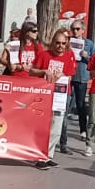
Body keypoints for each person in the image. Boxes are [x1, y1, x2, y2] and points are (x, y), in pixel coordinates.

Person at [29, 26, 77, 166]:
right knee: (43, 127)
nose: (60, 46)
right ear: (53, 42)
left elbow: (70, 75)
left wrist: (64, 76)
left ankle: (47, 156)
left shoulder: (68, 56)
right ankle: (39, 155)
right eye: (58, 43)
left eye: (63, 43)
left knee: (56, 128)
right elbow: (32, 71)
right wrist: (44, 71)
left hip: (61, 96)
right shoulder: (44, 55)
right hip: (44, 96)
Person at [67, 19, 92, 144]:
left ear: (83, 30)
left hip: (81, 76)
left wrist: (86, 56)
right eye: (73, 29)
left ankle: (83, 130)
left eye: (77, 29)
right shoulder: (67, 42)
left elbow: (94, 61)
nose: (75, 31)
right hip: (68, 75)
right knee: (66, 103)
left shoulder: (88, 43)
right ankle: (62, 130)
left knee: (80, 104)